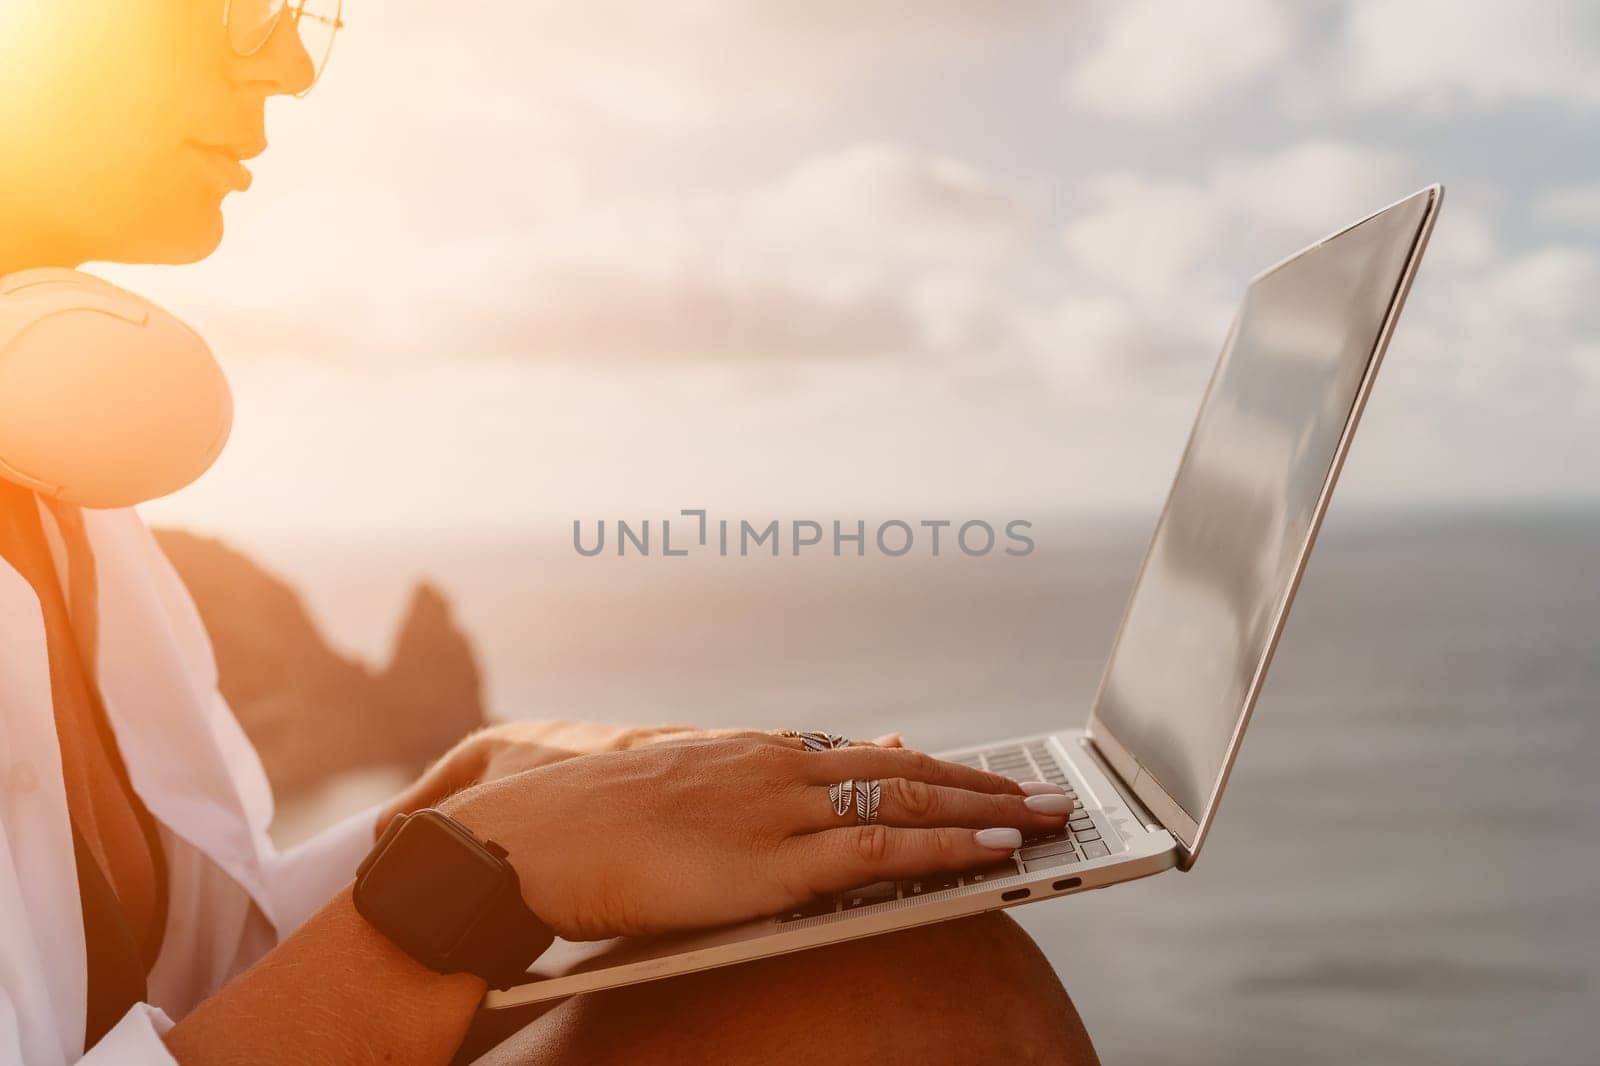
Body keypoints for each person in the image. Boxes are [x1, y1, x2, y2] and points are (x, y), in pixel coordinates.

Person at [0, 3, 1101, 1063]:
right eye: (233, 2)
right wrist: (489, 876)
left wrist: (481, 798)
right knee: (918, 1004)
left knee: (903, 962)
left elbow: (186, 972)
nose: (286, 64)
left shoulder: (62, 456)